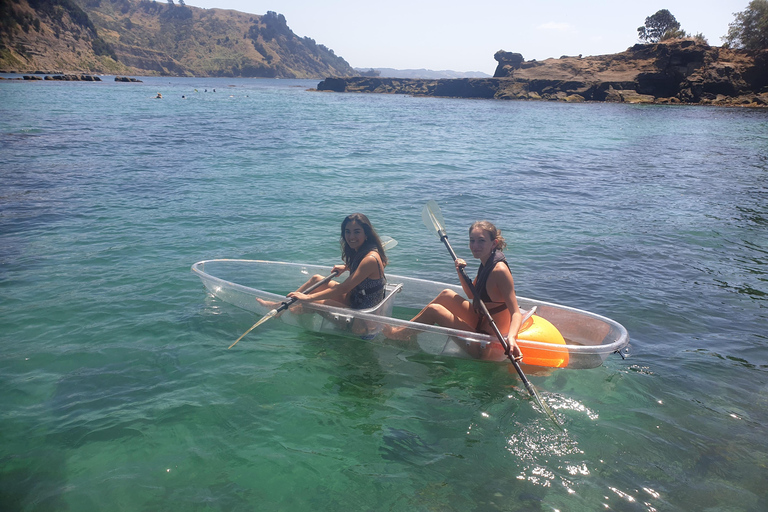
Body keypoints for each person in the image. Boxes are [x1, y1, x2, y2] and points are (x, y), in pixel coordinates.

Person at [387, 221, 523, 361]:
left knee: (435, 310)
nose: (475, 246)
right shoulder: (487, 262)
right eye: (472, 241)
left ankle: (398, 335)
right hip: (481, 321)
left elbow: (515, 313)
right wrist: (460, 271)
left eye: (481, 241)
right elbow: (471, 294)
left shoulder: (499, 270)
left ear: (493, 243)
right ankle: (405, 331)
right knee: (446, 294)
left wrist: (511, 338)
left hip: (486, 344)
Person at [259, 213, 388, 311]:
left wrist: (308, 297)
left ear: (367, 235)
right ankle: (281, 306)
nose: (351, 237)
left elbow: (344, 287)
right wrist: (347, 267)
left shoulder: (370, 258)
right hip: (354, 298)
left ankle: (287, 311)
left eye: (357, 232)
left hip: (361, 310)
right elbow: (368, 271)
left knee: (309, 300)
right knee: (316, 279)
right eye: (347, 232)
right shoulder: (368, 252)